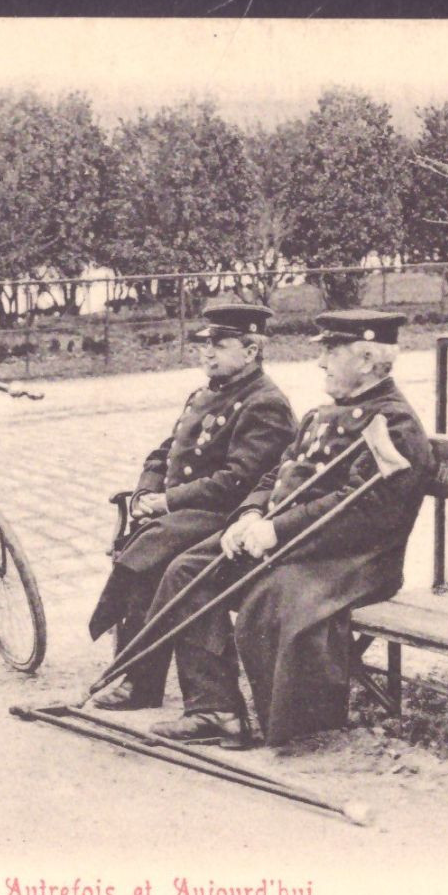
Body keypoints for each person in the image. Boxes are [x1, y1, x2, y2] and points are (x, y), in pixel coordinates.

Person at [145, 309, 435, 749]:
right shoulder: (322, 414)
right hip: (292, 541)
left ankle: (297, 726)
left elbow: (366, 512)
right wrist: (249, 515)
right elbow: (275, 475)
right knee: (189, 569)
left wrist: (279, 531)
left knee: (271, 594)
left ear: (367, 360)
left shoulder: (393, 423)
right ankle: (215, 710)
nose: (320, 362)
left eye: (331, 352)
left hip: (352, 559)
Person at [87, 301, 296, 710]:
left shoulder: (264, 403)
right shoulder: (203, 394)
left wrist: (167, 502)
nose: (207, 352)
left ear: (251, 351)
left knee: (153, 552)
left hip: (226, 518)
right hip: (191, 514)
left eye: (220, 344)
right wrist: (145, 493)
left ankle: (136, 679)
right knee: (150, 548)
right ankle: (136, 678)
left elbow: (237, 482)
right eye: (205, 343)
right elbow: (165, 452)